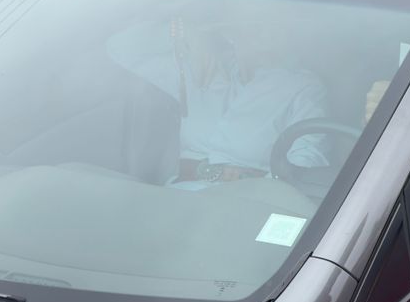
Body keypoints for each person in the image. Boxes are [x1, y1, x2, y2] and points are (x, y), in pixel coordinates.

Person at [107, 10, 329, 186]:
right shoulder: (200, 66)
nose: (267, 36)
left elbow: (305, 162)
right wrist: (187, 33)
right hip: (180, 197)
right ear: (230, 32)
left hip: (249, 203)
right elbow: (121, 48)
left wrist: (261, 193)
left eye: (275, 26)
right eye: (256, 26)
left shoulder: (301, 86)